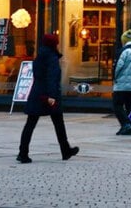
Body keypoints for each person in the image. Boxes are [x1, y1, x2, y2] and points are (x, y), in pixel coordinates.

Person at [16, 33, 80, 163]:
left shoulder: (40, 55)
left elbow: (39, 74)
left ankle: (23, 152)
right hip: (48, 95)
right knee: (58, 123)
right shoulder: (51, 57)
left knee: (31, 123)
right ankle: (65, 150)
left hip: (37, 92)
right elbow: (52, 77)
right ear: (53, 44)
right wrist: (51, 96)